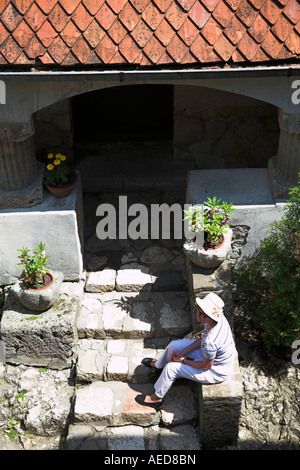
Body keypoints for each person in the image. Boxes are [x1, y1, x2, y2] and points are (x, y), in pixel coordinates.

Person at [135, 292, 236, 410]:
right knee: (174, 346)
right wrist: (183, 351)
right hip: (209, 355)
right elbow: (203, 338)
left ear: (209, 316)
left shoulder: (211, 342)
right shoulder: (216, 320)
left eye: (201, 314)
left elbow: (206, 365)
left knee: (171, 368)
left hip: (216, 370)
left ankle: (156, 398)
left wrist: (183, 361)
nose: (197, 316)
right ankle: (158, 365)